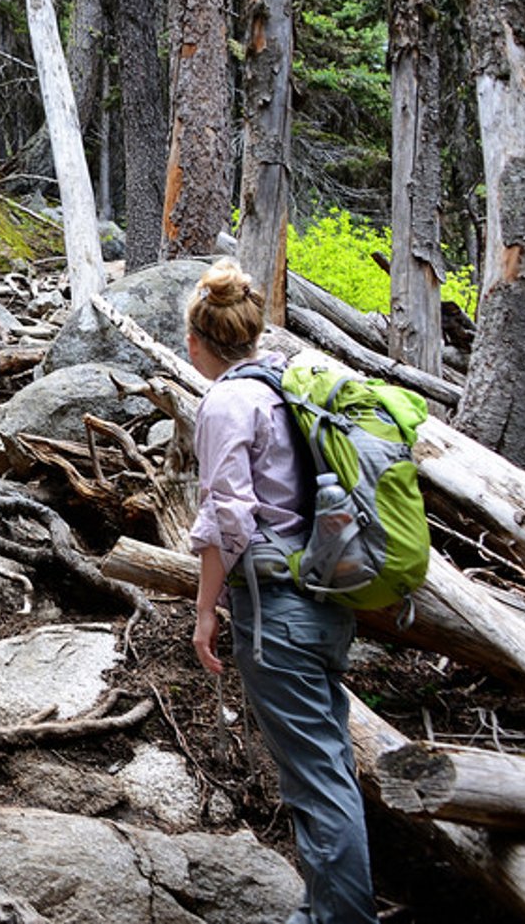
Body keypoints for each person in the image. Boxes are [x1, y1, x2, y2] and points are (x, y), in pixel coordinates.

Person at [185, 258, 375, 924]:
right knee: (322, 766)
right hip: (326, 597)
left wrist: (205, 608)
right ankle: (323, 906)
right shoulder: (287, 390)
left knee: (316, 779)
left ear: (197, 341)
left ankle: (342, 917)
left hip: (275, 611)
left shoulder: (228, 401)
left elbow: (228, 518)